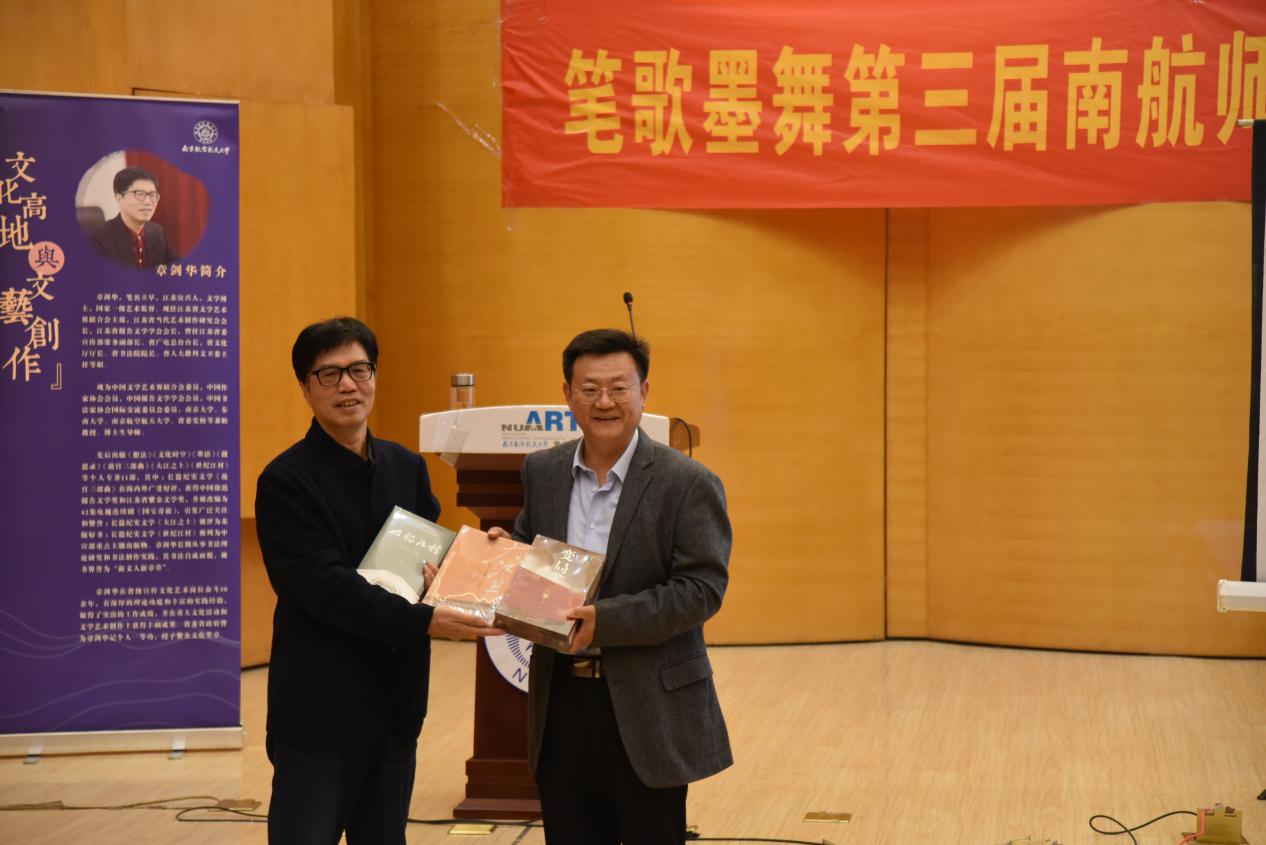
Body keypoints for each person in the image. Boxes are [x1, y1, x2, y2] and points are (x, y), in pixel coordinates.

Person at [255, 317, 500, 845]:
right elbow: (327, 589)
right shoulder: (285, 480)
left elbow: (434, 562)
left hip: (396, 704)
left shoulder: (407, 467)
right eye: (329, 374)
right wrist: (425, 621)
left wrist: (482, 557)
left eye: (359, 369)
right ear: (305, 387)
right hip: (319, 710)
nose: (348, 385)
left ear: (374, 375)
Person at [494, 328, 733, 845]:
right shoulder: (543, 470)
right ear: (567, 395)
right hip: (561, 701)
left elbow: (702, 588)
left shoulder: (687, 482)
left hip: (649, 703)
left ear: (644, 392)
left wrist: (606, 620)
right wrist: (499, 556)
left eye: (619, 387)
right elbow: (531, 552)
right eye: (589, 388)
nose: (604, 402)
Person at [88, 167, 180, 270]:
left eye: (152, 195)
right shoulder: (98, 240)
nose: (148, 202)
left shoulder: (158, 233)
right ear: (119, 197)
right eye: (139, 194)